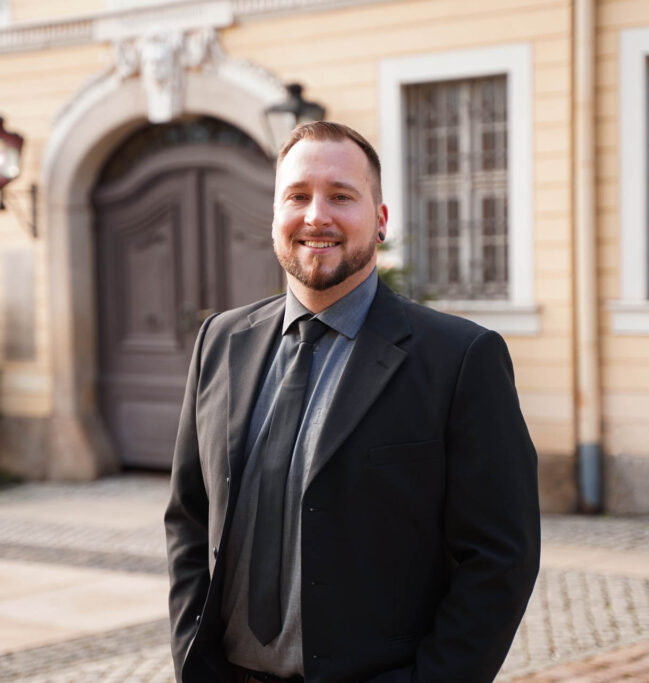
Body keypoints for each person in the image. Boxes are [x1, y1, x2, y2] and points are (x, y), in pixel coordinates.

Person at [165, 121, 540, 683]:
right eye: (297, 196)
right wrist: (192, 659)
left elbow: (499, 560)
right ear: (274, 217)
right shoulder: (220, 341)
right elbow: (190, 520)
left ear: (381, 220)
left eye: (341, 196)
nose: (317, 215)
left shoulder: (460, 359)